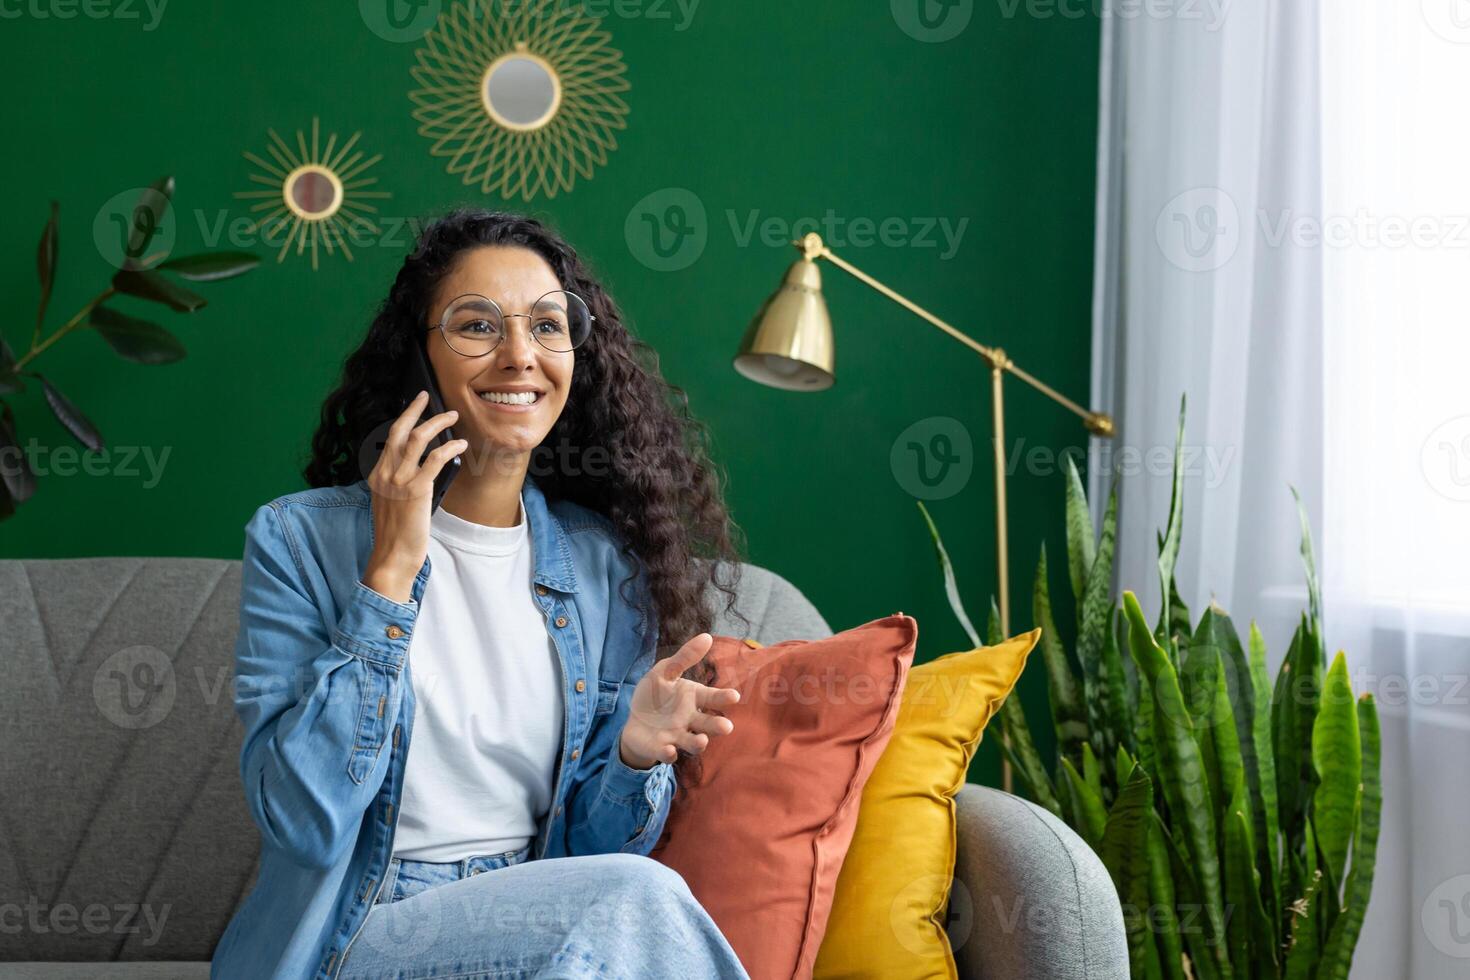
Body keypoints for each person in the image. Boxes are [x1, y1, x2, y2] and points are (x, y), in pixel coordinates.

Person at [210, 208, 753, 979]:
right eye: (477, 326)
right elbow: (304, 821)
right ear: (420, 354)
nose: (520, 355)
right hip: (357, 931)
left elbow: (589, 857)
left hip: (537, 924)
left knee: (616, 912)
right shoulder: (298, 542)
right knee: (640, 897)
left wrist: (634, 753)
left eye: (547, 326)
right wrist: (390, 576)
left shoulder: (604, 568)